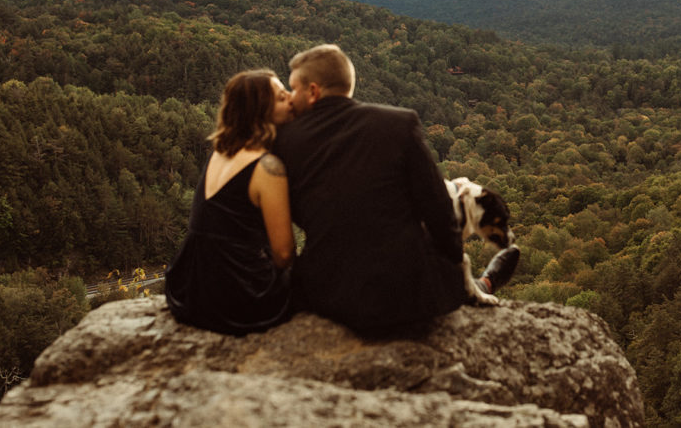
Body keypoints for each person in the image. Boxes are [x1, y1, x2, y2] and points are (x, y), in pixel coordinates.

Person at [273, 44, 517, 332]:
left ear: (312, 91)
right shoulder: (398, 123)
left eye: (293, 89)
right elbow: (440, 213)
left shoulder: (284, 141)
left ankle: (482, 282)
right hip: (406, 299)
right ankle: (482, 283)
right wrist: (450, 268)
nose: (290, 98)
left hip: (327, 296)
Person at [165, 69, 296, 335]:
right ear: (261, 111)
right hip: (240, 293)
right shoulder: (267, 166)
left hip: (192, 288)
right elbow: (283, 254)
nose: (292, 99)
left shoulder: (221, 152)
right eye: (282, 97)